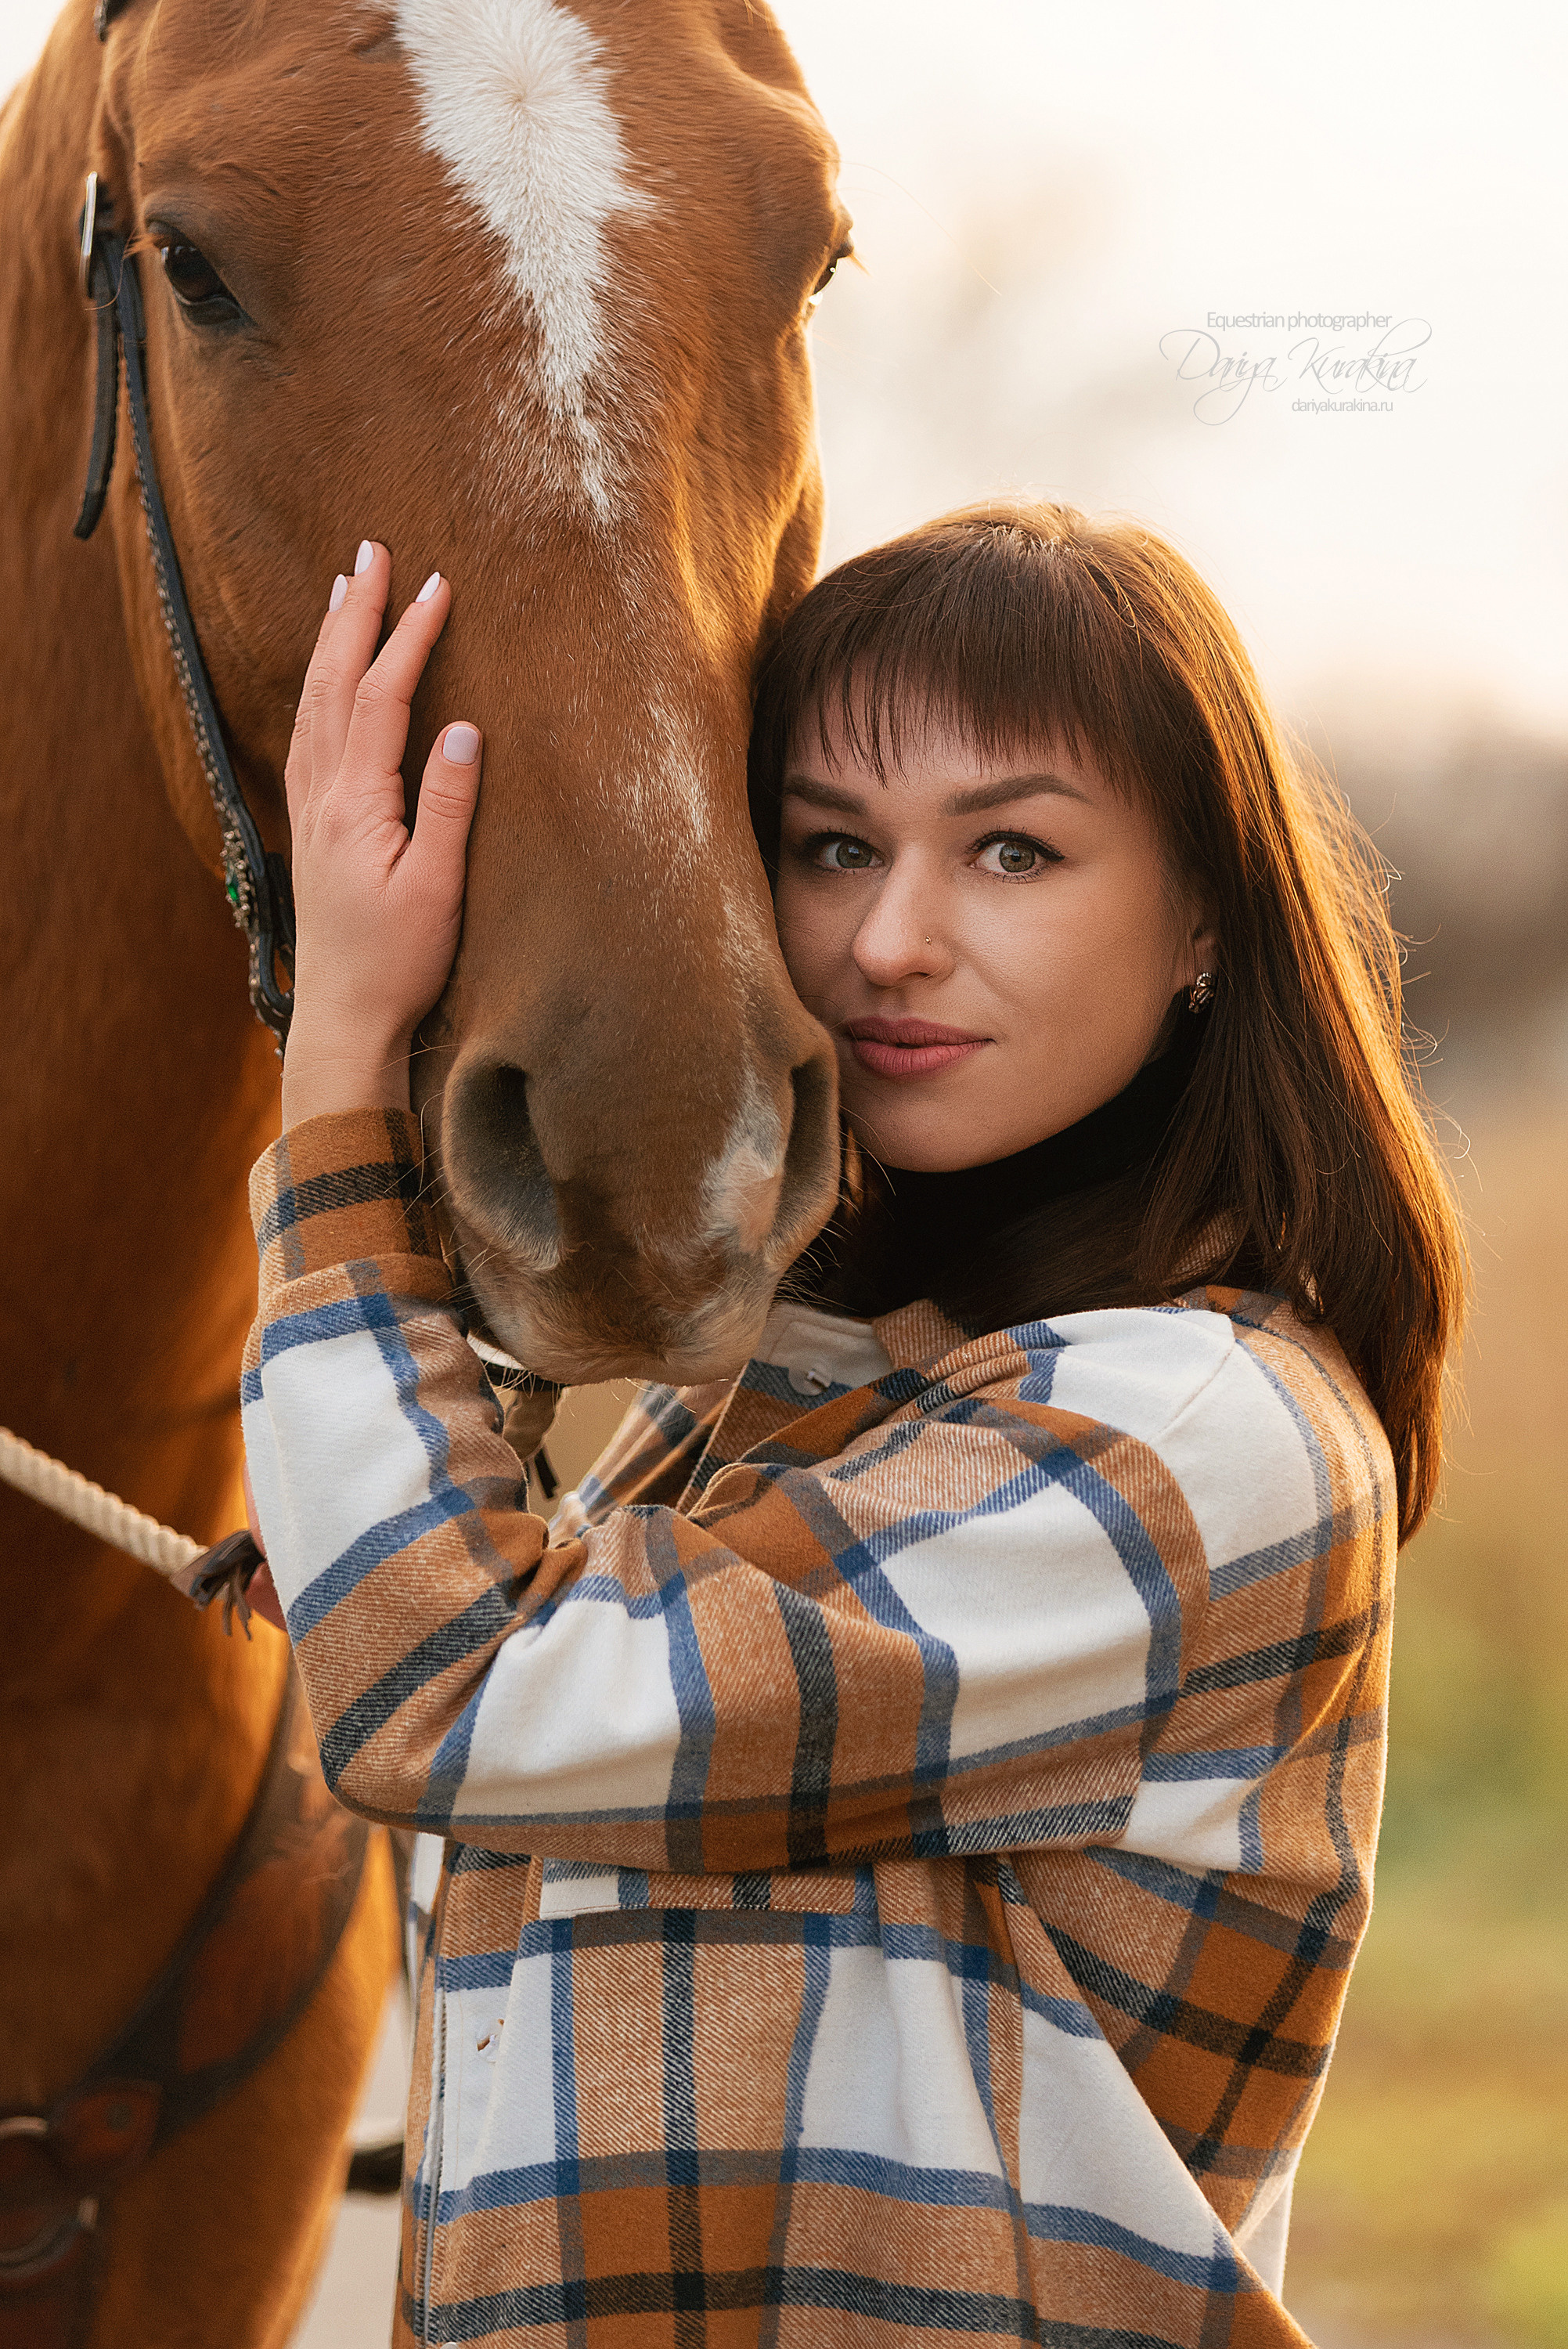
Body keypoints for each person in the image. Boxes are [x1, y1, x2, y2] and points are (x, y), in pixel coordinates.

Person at [243, 503, 1465, 2346]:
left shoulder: (1191, 1436)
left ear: (1204, 909)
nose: (892, 939)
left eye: (1012, 853)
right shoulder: (812, 1397)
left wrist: (341, 1042)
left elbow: (459, 1692)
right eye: (831, 846)